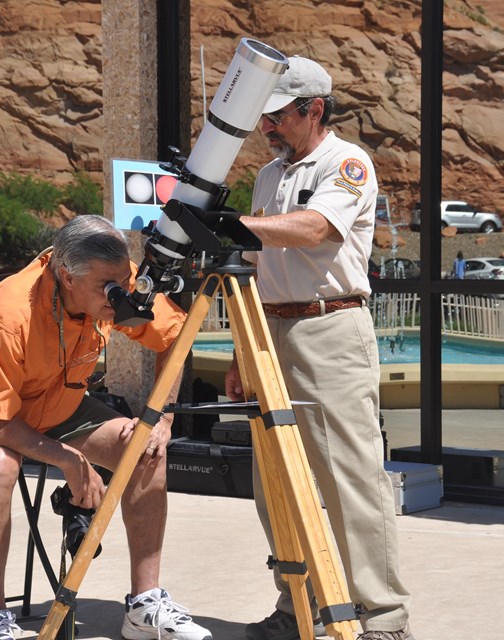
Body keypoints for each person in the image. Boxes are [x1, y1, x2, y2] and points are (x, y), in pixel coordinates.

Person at [0, 215, 212, 640]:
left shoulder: (111, 276)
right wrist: (67, 459)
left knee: (145, 448)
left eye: (121, 281)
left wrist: (163, 416)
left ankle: (144, 604)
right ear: (65, 275)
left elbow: (176, 336)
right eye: (105, 287)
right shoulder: (9, 312)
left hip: (56, 405)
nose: (118, 294)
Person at [225, 56, 415, 640]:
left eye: (277, 116)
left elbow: (315, 229)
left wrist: (233, 224)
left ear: (313, 108)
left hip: (330, 330)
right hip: (270, 332)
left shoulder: (347, 162)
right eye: (265, 119)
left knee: (350, 480)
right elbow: (257, 268)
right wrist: (240, 349)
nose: (268, 128)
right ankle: (298, 606)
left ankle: (382, 617)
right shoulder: (268, 176)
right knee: (275, 482)